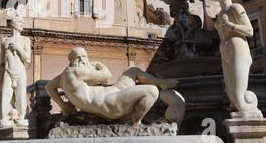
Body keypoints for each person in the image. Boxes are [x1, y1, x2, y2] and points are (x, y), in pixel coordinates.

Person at [46, 47, 185, 125]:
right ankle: (135, 123)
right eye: (79, 57)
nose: (83, 60)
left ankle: (160, 82)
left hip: (111, 93)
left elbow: (49, 87)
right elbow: (107, 74)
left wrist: (64, 106)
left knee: (133, 70)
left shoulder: (63, 75)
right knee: (151, 91)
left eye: (84, 56)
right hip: (108, 104)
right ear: (71, 60)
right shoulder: (75, 71)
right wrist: (98, 64)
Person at [213, 0, 261, 117]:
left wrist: (231, 26)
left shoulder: (236, 7)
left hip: (237, 46)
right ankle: (238, 118)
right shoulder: (220, 14)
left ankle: (249, 112)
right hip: (225, 49)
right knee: (232, 97)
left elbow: (250, 30)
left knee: (239, 95)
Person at [0, 16, 31, 127]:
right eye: (19, 22)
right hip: (8, 71)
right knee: (5, 96)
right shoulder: (5, 40)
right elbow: (2, 62)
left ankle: (21, 117)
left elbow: (28, 59)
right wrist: (0, 79)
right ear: (13, 24)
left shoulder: (25, 40)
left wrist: (19, 48)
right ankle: (3, 118)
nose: (22, 24)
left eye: (22, 22)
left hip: (20, 71)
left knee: (21, 96)